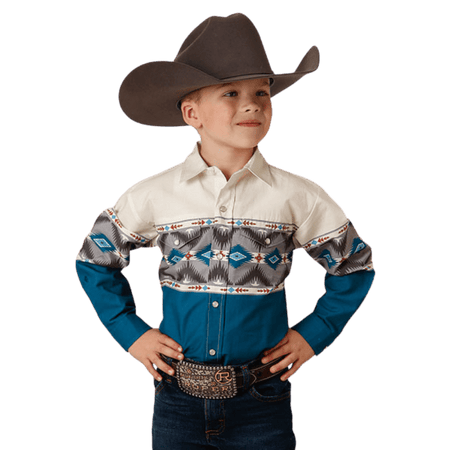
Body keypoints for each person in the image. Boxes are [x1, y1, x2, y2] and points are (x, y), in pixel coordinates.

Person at [75, 12, 375, 450]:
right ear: (191, 113)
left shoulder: (298, 196)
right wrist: (131, 333)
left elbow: (355, 265)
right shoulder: (153, 194)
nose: (252, 104)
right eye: (231, 93)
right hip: (176, 400)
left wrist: (312, 336)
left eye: (261, 93)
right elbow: (94, 259)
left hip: (262, 401)